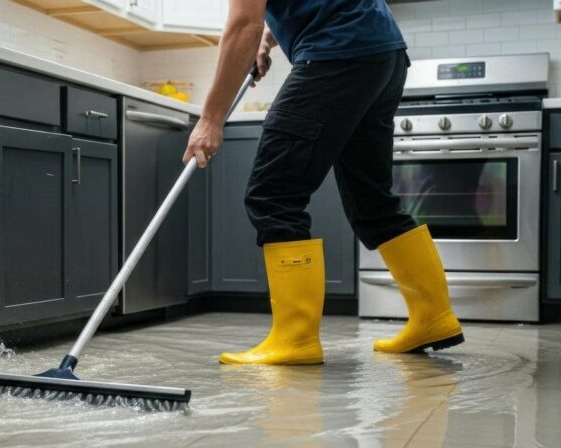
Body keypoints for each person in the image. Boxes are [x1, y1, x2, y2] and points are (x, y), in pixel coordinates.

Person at [183, 0, 465, 365]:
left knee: (274, 194)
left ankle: (294, 337)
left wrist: (210, 118)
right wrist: (268, 40)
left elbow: (242, 26)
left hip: (336, 53)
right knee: (373, 202)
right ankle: (434, 317)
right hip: (382, 55)